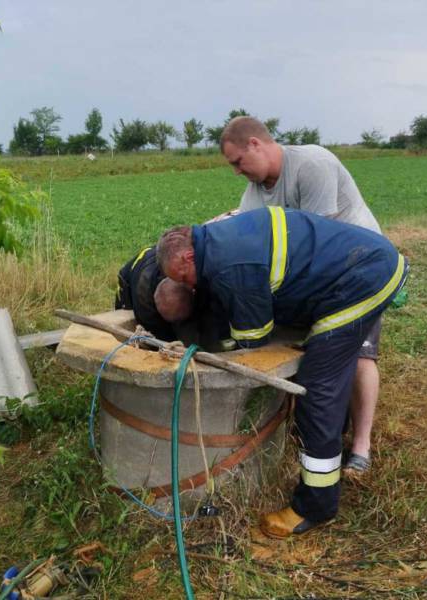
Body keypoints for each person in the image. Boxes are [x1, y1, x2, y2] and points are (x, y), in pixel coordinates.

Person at [155, 207, 407, 538]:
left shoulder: (231, 266)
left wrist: (221, 346)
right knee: (328, 360)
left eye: (184, 278)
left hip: (363, 278)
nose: (188, 286)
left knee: (317, 390)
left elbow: (255, 336)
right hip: (363, 264)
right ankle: (337, 433)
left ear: (188, 256)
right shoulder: (217, 240)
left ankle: (315, 505)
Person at [220, 116, 383, 476]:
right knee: (313, 350)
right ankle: (319, 426)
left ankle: (361, 445)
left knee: (357, 354)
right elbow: (246, 230)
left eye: (237, 162)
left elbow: (313, 241)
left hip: (360, 270)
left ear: (255, 145)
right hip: (317, 278)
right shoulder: (257, 188)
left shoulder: (312, 165)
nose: (236, 171)